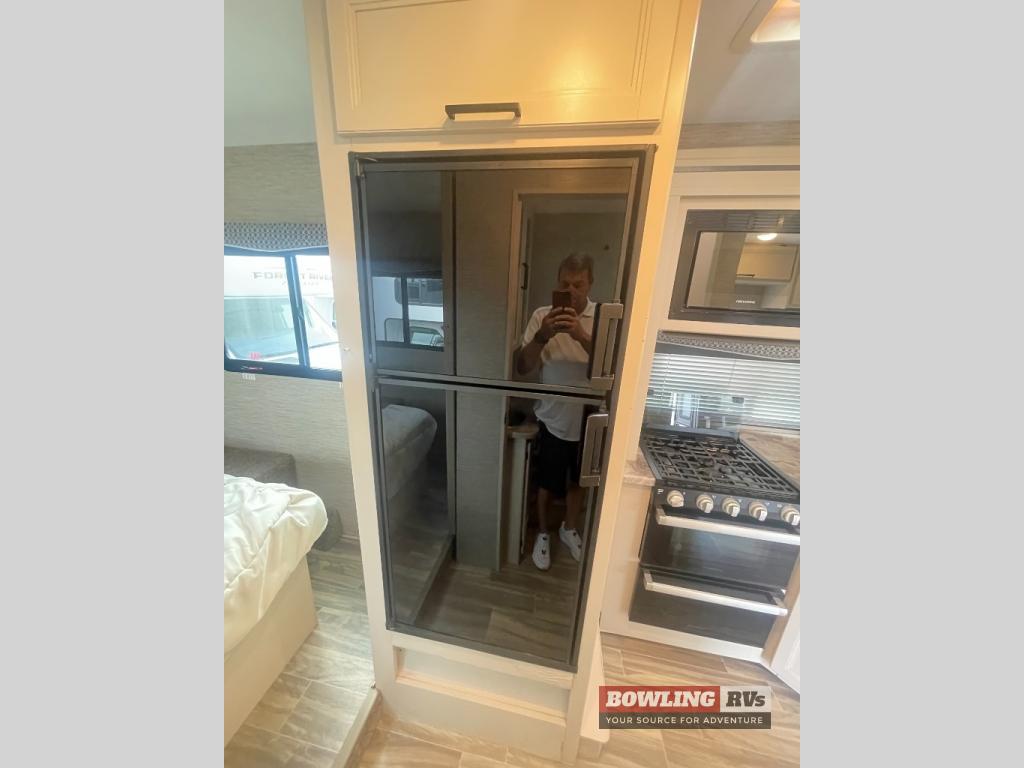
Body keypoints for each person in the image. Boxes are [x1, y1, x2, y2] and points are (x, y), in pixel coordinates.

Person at [515, 252, 595, 571]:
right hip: (551, 413)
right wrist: (542, 335)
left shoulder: (602, 316)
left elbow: (613, 364)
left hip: (589, 415)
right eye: (565, 284)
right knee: (547, 481)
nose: (571, 291)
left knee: (579, 479)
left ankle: (569, 528)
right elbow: (523, 367)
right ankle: (544, 533)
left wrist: (581, 335)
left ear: (590, 284)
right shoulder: (541, 316)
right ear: (557, 283)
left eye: (578, 284)